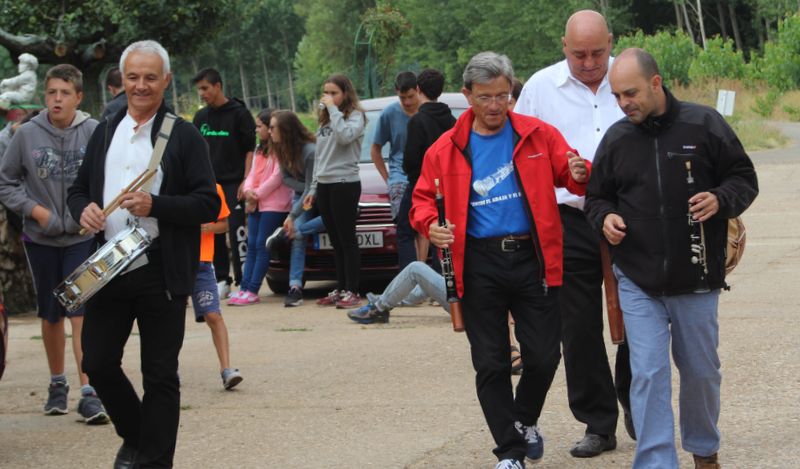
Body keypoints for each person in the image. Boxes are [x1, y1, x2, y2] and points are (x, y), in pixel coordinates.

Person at [410, 51, 590, 469]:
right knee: (491, 362)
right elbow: (421, 201)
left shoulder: (537, 134)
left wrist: (580, 171)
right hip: (478, 263)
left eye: (503, 96)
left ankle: (523, 421)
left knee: (544, 356)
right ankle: (510, 452)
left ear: (512, 92)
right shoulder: (444, 149)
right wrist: (430, 225)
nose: (495, 105)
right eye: (485, 97)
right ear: (467, 95)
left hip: (533, 258)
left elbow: (571, 170)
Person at [585, 48, 758, 469]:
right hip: (637, 279)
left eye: (631, 93)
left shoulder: (704, 124)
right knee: (647, 373)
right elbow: (597, 198)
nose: (623, 103)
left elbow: (743, 179)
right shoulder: (617, 139)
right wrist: (605, 217)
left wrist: (720, 199)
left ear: (656, 83)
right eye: (617, 95)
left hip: (696, 276)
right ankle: (656, 461)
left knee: (701, 372)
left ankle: (704, 450)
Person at [68, 40, 220, 468]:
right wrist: (84, 209)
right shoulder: (106, 130)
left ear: (166, 80)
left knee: (159, 375)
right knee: (97, 363)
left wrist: (157, 205)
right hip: (108, 268)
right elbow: (78, 190)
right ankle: (138, 438)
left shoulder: (184, 135)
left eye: (150, 77)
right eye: (133, 77)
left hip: (161, 270)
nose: (140, 85)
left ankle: (153, 462)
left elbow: (208, 203)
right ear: (122, 79)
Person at [514, 9, 632, 457]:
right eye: (579, 54)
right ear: (564, 46)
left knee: (639, 317)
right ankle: (598, 423)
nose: (589, 63)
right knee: (578, 326)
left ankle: (638, 402)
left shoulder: (631, 76)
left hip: (629, 217)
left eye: (597, 53)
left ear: (611, 43)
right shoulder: (540, 88)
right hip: (568, 219)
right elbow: (517, 151)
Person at [0, 64, 108, 424]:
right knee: (51, 313)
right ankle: (57, 383)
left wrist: (93, 210)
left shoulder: (94, 132)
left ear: (79, 97)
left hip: (81, 237)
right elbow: (5, 182)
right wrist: (35, 211)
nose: (57, 99)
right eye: (51, 93)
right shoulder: (27, 134)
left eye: (64, 93)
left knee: (80, 310)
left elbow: (107, 178)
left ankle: (89, 392)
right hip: (41, 238)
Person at [192, 68, 256, 298]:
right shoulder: (200, 118)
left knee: (236, 227)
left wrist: (246, 180)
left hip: (234, 181)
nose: (202, 93)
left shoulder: (240, 114)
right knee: (212, 229)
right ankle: (221, 279)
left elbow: (250, 150)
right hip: (209, 183)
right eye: (199, 89)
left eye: (205, 88)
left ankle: (244, 280)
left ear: (217, 86)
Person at [305, 74, 366, 309]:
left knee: (347, 238)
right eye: (326, 93)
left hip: (345, 183)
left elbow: (344, 137)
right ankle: (340, 288)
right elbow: (320, 157)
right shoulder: (325, 120)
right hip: (325, 184)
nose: (328, 97)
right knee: (335, 240)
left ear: (345, 93)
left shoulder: (355, 116)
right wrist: (313, 187)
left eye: (334, 93)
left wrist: (333, 110)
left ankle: (353, 290)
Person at [228, 109, 293, 306]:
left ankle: (253, 289)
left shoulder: (281, 149)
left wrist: (256, 194)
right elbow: (251, 174)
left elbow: (276, 178)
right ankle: (244, 288)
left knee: (262, 245)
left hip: (273, 205)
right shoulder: (259, 149)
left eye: (259, 126)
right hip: (256, 203)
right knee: (252, 245)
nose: (256, 130)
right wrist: (248, 190)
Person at [402, 68, 456, 266]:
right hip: (448, 185)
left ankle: (411, 277)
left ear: (418, 89)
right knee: (441, 234)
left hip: (421, 184)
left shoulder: (417, 121)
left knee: (405, 231)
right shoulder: (452, 121)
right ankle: (439, 275)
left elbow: (410, 160)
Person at [193, 183, 243, 389]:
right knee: (171, 318)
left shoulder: (214, 188)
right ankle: (169, 368)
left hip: (203, 263)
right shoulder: (173, 185)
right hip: (176, 261)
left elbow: (224, 224)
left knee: (213, 315)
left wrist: (208, 227)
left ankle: (226, 369)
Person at [267, 110, 318, 307]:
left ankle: (290, 232)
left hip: (320, 197)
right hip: (303, 196)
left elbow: (313, 190)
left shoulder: (310, 151)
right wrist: (304, 187)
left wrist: (293, 214)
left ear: (285, 130)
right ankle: (295, 287)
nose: (269, 131)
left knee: (300, 231)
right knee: (297, 237)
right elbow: (286, 179)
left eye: (273, 127)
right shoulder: (280, 149)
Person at [371, 71, 419, 268]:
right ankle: (410, 274)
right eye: (402, 97)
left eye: (410, 97)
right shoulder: (389, 114)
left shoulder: (426, 111)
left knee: (425, 228)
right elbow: (375, 149)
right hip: (399, 178)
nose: (407, 102)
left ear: (418, 90)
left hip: (425, 177)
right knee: (405, 228)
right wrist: (388, 178)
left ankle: (424, 272)